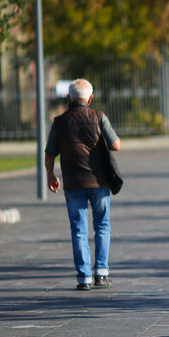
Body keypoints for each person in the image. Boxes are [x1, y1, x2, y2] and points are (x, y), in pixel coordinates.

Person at [44, 79, 122, 291]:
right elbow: (116, 144)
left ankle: (84, 278)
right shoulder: (99, 117)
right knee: (102, 226)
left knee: (78, 229)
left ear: (69, 98)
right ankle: (102, 273)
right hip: (100, 182)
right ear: (90, 99)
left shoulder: (59, 122)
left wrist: (51, 175)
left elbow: (49, 153)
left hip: (73, 183)